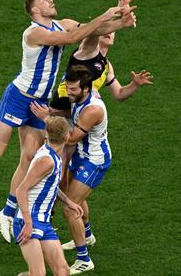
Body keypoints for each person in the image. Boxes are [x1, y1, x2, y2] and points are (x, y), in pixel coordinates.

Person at [0, 0, 137, 243]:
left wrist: (120, 21)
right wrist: (109, 14)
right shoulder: (33, 33)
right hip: (18, 97)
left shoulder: (63, 23)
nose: (50, 0)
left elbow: (88, 31)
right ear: (34, 11)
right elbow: (73, 38)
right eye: (43, 0)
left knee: (29, 158)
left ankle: (7, 212)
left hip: (39, 101)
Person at [49, 27, 154, 250]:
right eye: (107, 31)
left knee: (61, 182)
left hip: (72, 122)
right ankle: (78, 230)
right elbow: (95, 30)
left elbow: (119, 94)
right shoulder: (87, 51)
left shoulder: (106, 66)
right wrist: (118, 19)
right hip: (63, 115)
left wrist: (134, 86)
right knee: (63, 182)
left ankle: (51, 220)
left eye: (112, 33)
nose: (109, 34)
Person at [31, 65, 132, 274]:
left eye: (74, 90)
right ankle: (86, 235)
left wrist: (46, 119)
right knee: (74, 197)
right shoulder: (80, 98)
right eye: (68, 88)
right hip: (81, 155)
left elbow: (71, 137)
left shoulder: (93, 109)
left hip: (94, 161)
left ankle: (84, 259)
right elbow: (71, 111)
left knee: (69, 207)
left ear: (86, 89)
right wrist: (53, 111)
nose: (69, 93)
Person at [13, 116, 83, 276]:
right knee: (38, 273)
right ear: (66, 137)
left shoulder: (53, 155)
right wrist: (28, 223)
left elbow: (49, 185)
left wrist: (69, 202)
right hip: (28, 221)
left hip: (43, 221)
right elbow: (21, 190)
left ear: (47, 134)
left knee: (63, 270)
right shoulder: (47, 160)